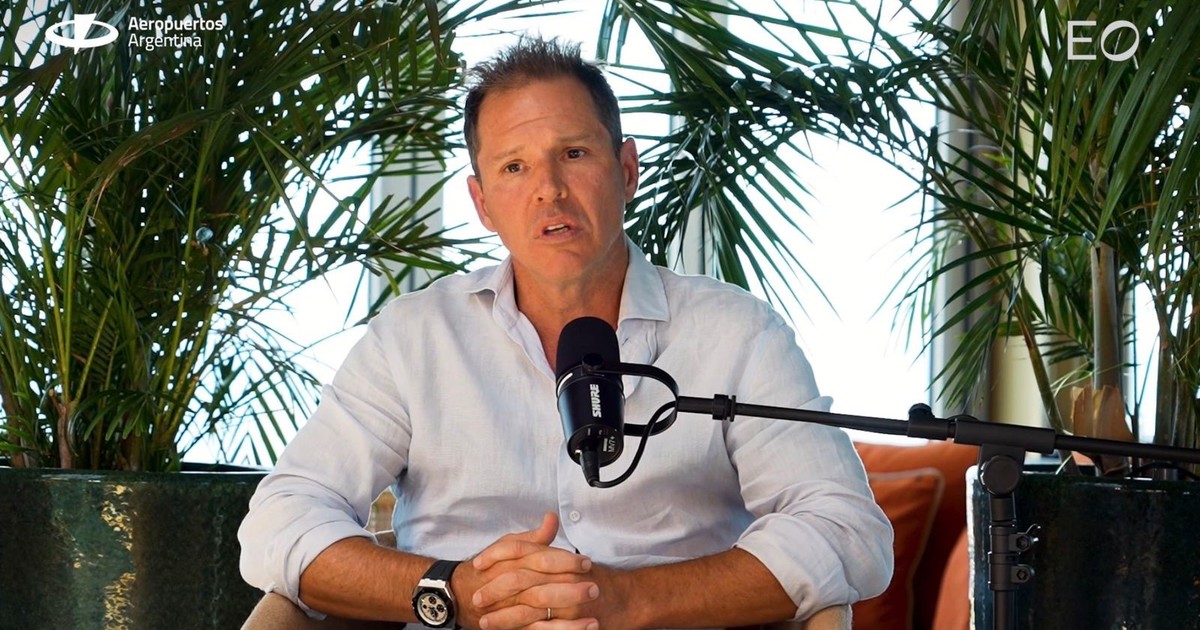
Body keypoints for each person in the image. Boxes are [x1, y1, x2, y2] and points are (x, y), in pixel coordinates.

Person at [238, 36, 893, 630]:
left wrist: (628, 599)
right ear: (482, 203)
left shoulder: (737, 334)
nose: (548, 191)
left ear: (627, 170)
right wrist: (456, 590)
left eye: (573, 154)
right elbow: (281, 519)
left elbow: (846, 531)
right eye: (514, 168)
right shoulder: (412, 338)